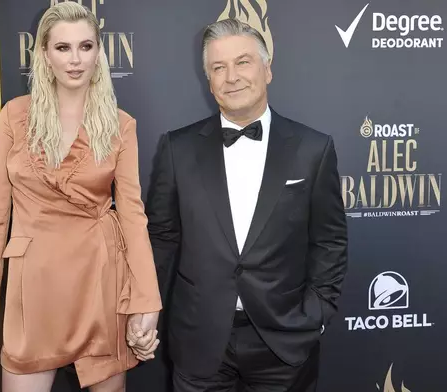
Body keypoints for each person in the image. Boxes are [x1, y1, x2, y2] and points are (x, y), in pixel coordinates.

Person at [0, 3, 161, 392]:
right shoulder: (14, 117)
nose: (75, 60)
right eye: (63, 48)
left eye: (85, 47)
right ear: (43, 54)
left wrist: (147, 301)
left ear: (99, 53)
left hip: (100, 278)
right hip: (33, 286)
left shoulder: (121, 125)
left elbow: (134, 217)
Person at [144, 19, 348, 392]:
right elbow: (162, 239)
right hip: (199, 340)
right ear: (208, 80)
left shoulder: (313, 149)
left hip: (284, 341)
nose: (231, 77)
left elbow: (330, 241)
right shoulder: (177, 148)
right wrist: (145, 310)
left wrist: (316, 314)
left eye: (243, 62)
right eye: (218, 67)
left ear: (267, 70)